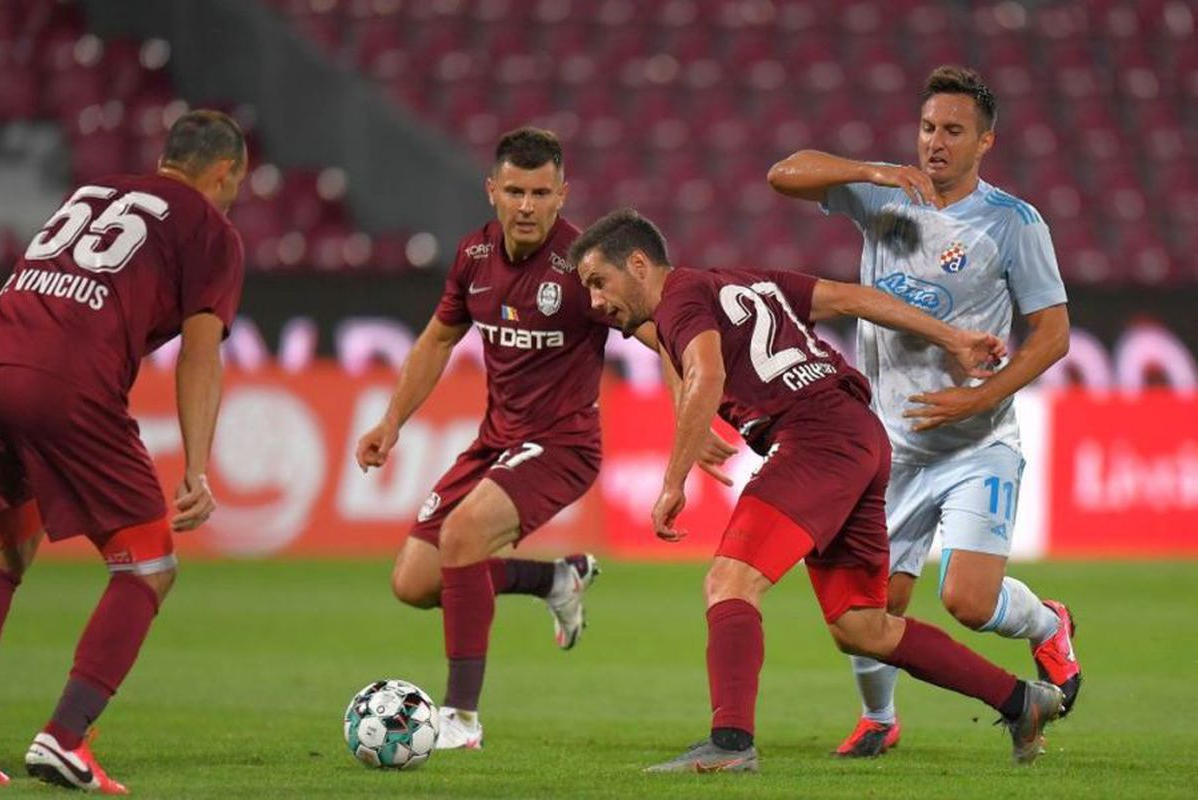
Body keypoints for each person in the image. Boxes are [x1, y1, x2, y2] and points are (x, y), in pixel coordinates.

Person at [571, 207, 1066, 773]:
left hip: (814, 441)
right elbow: (855, 299)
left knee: (730, 581)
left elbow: (704, 372)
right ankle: (1020, 700)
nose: (594, 300)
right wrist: (950, 336)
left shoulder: (680, 302)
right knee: (863, 626)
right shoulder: (739, 282)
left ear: (639, 263)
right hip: (860, 434)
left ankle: (730, 745)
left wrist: (673, 477)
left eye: (598, 282)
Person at [354, 128, 705, 751]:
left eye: (541, 192)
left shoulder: (585, 267)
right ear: (492, 190)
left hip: (563, 444)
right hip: (497, 440)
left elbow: (666, 342)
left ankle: (460, 720)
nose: (526, 205)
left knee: (462, 538)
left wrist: (690, 422)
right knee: (414, 581)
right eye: (514, 190)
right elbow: (438, 340)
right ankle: (554, 582)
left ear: (561, 194)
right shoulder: (472, 257)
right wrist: (391, 421)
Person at [767, 64, 1078, 757]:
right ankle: (879, 719)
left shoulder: (1013, 224)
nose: (936, 142)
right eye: (929, 127)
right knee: (871, 608)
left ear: (985, 142)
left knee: (967, 602)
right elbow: (783, 175)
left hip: (976, 441)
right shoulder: (885, 195)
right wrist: (872, 172)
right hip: (888, 444)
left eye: (954, 131)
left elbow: (1053, 333)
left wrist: (981, 396)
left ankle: (1048, 625)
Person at [0, 109, 248, 793]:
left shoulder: (93, 190)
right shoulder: (209, 228)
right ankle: (65, 738)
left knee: (8, 549)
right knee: (148, 562)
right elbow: (202, 351)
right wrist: (197, 466)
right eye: (234, 187)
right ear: (224, 174)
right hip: (66, 382)